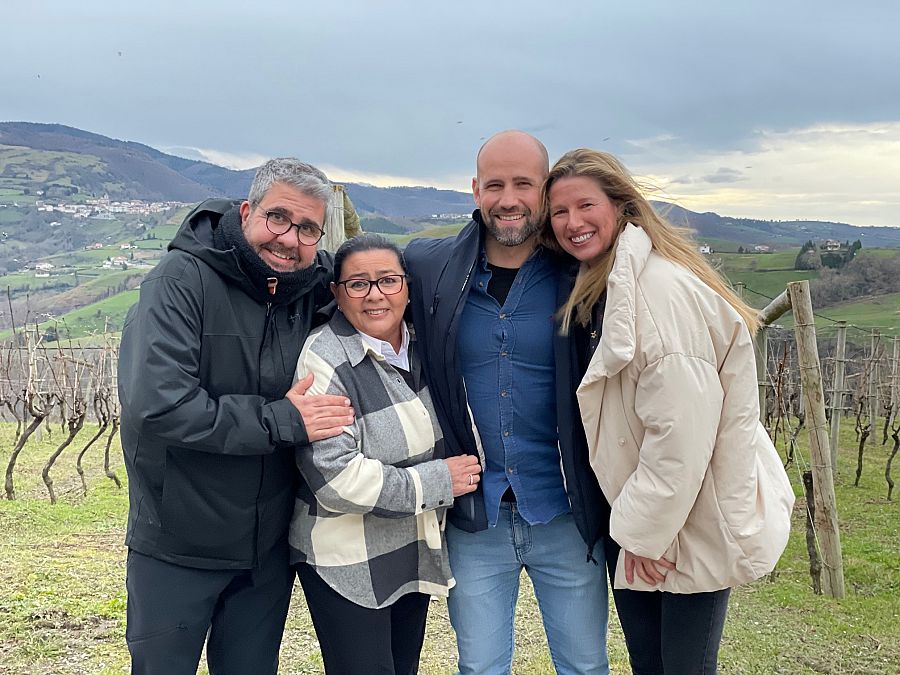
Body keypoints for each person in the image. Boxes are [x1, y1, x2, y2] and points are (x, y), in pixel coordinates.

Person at [543, 148, 796, 674]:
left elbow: (679, 437)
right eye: (559, 212)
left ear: (621, 206)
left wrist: (643, 535)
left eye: (584, 205)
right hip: (654, 521)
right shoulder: (614, 284)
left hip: (682, 525)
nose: (572, 223)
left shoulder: (659, 293)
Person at [118, 158, 355, 674]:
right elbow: (160, 405)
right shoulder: (181, 281)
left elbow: (373, 288)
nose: (289, 239)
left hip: (263, 554)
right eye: (277, 218)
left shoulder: (309, 290)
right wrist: (283, 420)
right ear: (247, 211)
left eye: (308, 228)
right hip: (177, 545)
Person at [405, 130, 612, 674]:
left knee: (586, 667)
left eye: (524, 183)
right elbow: (359, 296)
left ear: (545, 190)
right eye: (494, 184)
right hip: (476, 516)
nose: (508, 198)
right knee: (480, 668)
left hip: (566, 511)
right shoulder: (431, 269)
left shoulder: (586, 274)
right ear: (475, 190)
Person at [289, 233, 482, 674]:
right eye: (358, 284)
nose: (375, 295)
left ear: (407, 287)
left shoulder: (425, 347)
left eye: (388, 280)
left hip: (411, 547)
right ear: (337, 294)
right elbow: (336, 480)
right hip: (348, 560)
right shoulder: (325, 360)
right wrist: (439, 482)